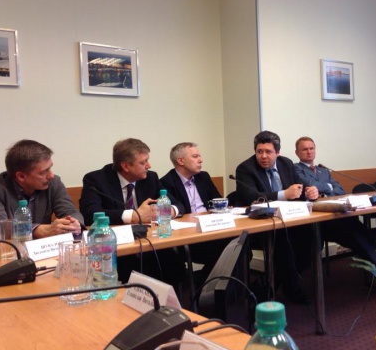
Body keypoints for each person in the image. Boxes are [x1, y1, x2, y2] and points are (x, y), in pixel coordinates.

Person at [79, 138, 187, 286]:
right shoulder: (96, 180)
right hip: (117, 249)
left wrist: (166, 211)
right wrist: (134, 216)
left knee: (175, 266)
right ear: (125, 166)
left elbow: (178, 205)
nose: (149, 165)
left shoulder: (150, 178)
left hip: (148, 244)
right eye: (143, 162)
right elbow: (90, 214)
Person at [234, 130, 320, 304]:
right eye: (259, 151)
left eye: (268, 152)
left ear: (278, 152)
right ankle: (291, 288)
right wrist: (284, 194)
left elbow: (299, 187)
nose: (263, 156)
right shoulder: (245, 168)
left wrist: (311, 191)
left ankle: (265, 285)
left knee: (313, 237)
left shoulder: (286, 163)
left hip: (289, 220)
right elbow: (252, 197)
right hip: (261, 224)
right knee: (284, 243)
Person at [294, 136, 376, 270]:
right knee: (357, 236)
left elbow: (340, 190)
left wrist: (324, 191)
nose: (309, 152)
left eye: (311, 148)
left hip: (337, 214)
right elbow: (309, 184)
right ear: (297, 153)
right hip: (319, 221)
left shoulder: (323, 170)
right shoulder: (295, 169)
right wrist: (329, 187)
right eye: (305, 149)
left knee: (367, 234)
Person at [159, 142, 233, 288]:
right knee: (225, 251)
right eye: (195, 156)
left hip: (211, 229)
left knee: (239, 246)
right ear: (181, 161)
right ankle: (203, 289)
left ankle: (227, 291)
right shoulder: (166, 182)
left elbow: (217, 201)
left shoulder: (203, 177)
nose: (201, 160)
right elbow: (176, 213)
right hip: (188, 237)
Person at [0, 139, 85, 241]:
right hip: (9, 249)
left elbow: (70, 211)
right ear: (21, 176)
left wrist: (74, 223)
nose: (51, 175)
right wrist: (38, 230)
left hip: (43, 248)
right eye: (43, 172)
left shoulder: (53, 182)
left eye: (50, 168)